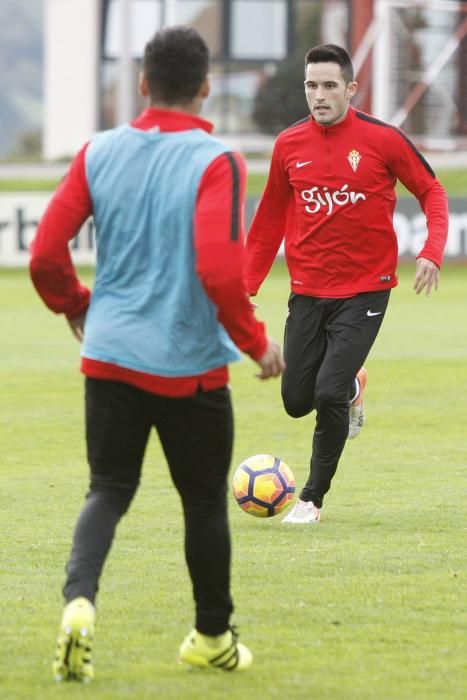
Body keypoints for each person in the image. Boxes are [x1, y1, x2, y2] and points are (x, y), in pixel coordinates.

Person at [30, 26, 284, 682]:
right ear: (204, 87)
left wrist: (77, 305)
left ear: (142, 83)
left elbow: (45, 255)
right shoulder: (215, 160)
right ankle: (210, 637)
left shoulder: (98, 151)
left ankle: (80, 603)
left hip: (109, 356)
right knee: (201, 502)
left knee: (108, 488)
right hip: (189, 366)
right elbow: (220, 273)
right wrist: (256, 344)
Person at [245, 44, 448, 525]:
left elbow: (433, 191)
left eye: (329, 85)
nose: (319, 95)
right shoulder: (288, 145)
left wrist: (431, 251)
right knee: (297, 401)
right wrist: (245, 287)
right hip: (308, 291)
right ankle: (355, 384)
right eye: (312, 85)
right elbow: (270, 217)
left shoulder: (383, 140)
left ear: (351, 89)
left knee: (326, 393)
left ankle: (312, 499)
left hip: (366, 290)